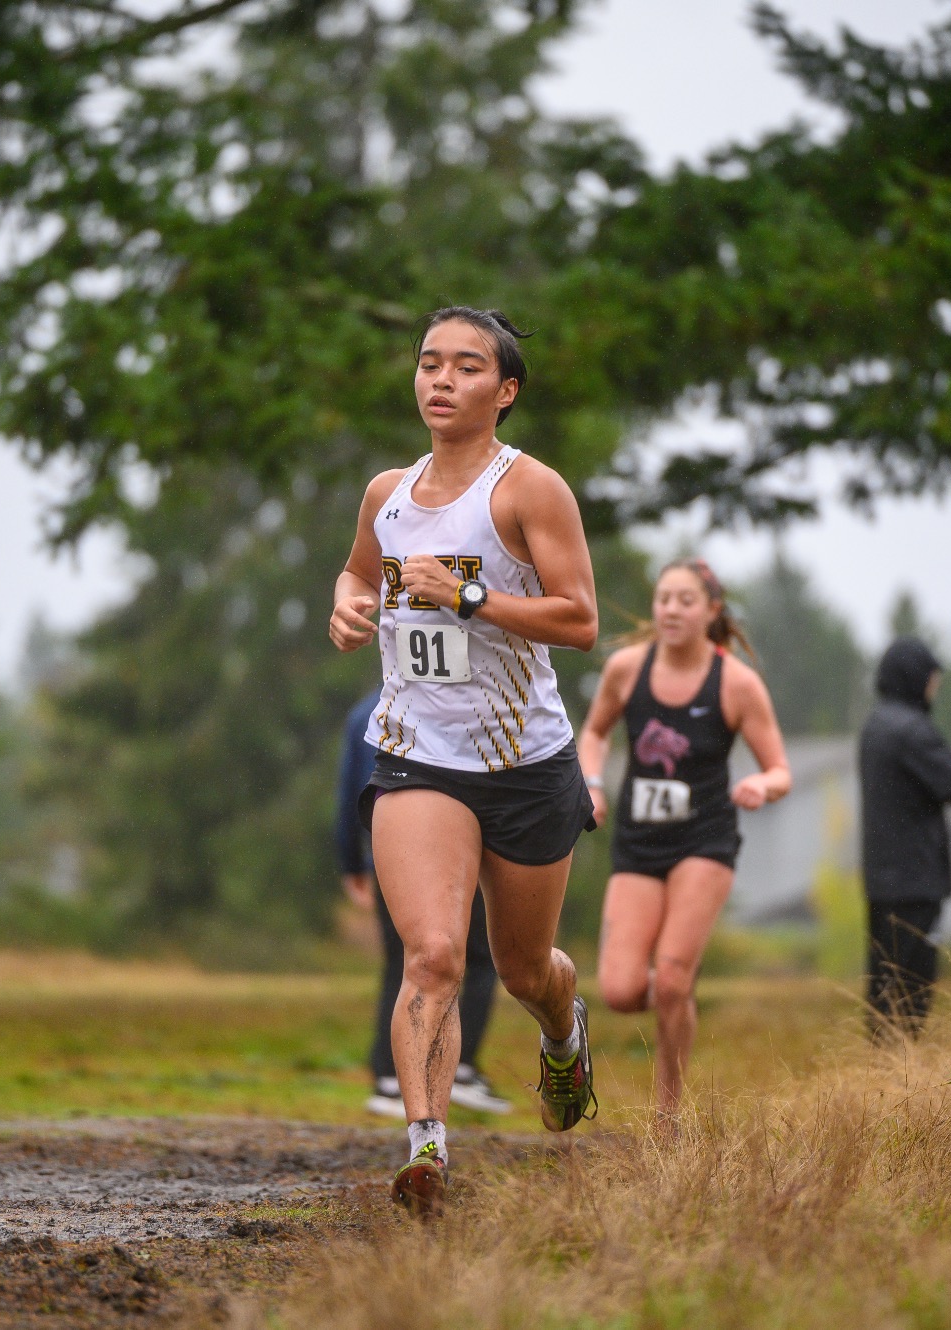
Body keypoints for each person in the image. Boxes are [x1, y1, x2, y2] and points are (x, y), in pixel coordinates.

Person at [328, 306, 600, 1219]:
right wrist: (348, 605)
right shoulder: (387, 493)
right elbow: (359, 572)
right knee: (434, 955)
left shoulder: (531, 492)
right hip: (415, 754)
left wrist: (474, 595)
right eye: (429, 363)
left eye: (467, 367)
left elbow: (580, 620)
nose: (441, 380)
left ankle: (564, 1034)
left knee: (522, 968)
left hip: (524, 761)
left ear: (505, 390)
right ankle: (427, 1150)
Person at [579, 559, 792, 1119]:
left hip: (705, 840)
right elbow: (594, 732)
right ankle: (674, 998)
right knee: (622, 991)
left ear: (712, 611)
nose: (671, 609)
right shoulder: (627, 669)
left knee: (672, 980)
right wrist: (593, 785)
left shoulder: (737, 683)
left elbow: (780, 770)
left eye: (686, 600)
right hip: (639, 842)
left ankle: (668, 1116)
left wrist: (760, 786)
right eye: (664, 598)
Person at [334, 688, 511, 1119]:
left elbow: (347, 793)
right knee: (478, 958)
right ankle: (462, 1066)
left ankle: (387, 1074)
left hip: (386, 852)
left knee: (405, 962)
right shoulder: (457, 702)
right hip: (456, 852)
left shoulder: (363, 711)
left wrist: (351, 860)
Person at [857, 636, 951, 1037]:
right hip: (916, 879)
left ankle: (882, 1072)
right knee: (912, 985)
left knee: (884, 980)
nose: (933, 688)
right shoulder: (912, 730)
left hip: (881, 877)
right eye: (931, 679)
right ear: (914, 677)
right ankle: (900, 1072)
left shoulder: (875, 725)